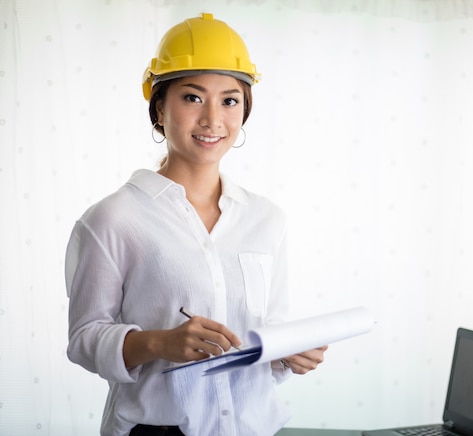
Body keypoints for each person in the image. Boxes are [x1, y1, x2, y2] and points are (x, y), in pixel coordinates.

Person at [65, 13, 327, 436]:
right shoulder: (113, 218)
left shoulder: (267, 218)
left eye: (229, 100)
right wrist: (159, 342)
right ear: (159, 108)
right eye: (192, 97)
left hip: (252, 428)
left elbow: (267, 328)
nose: (212, 119)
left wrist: (285, 353)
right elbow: (84, 338)